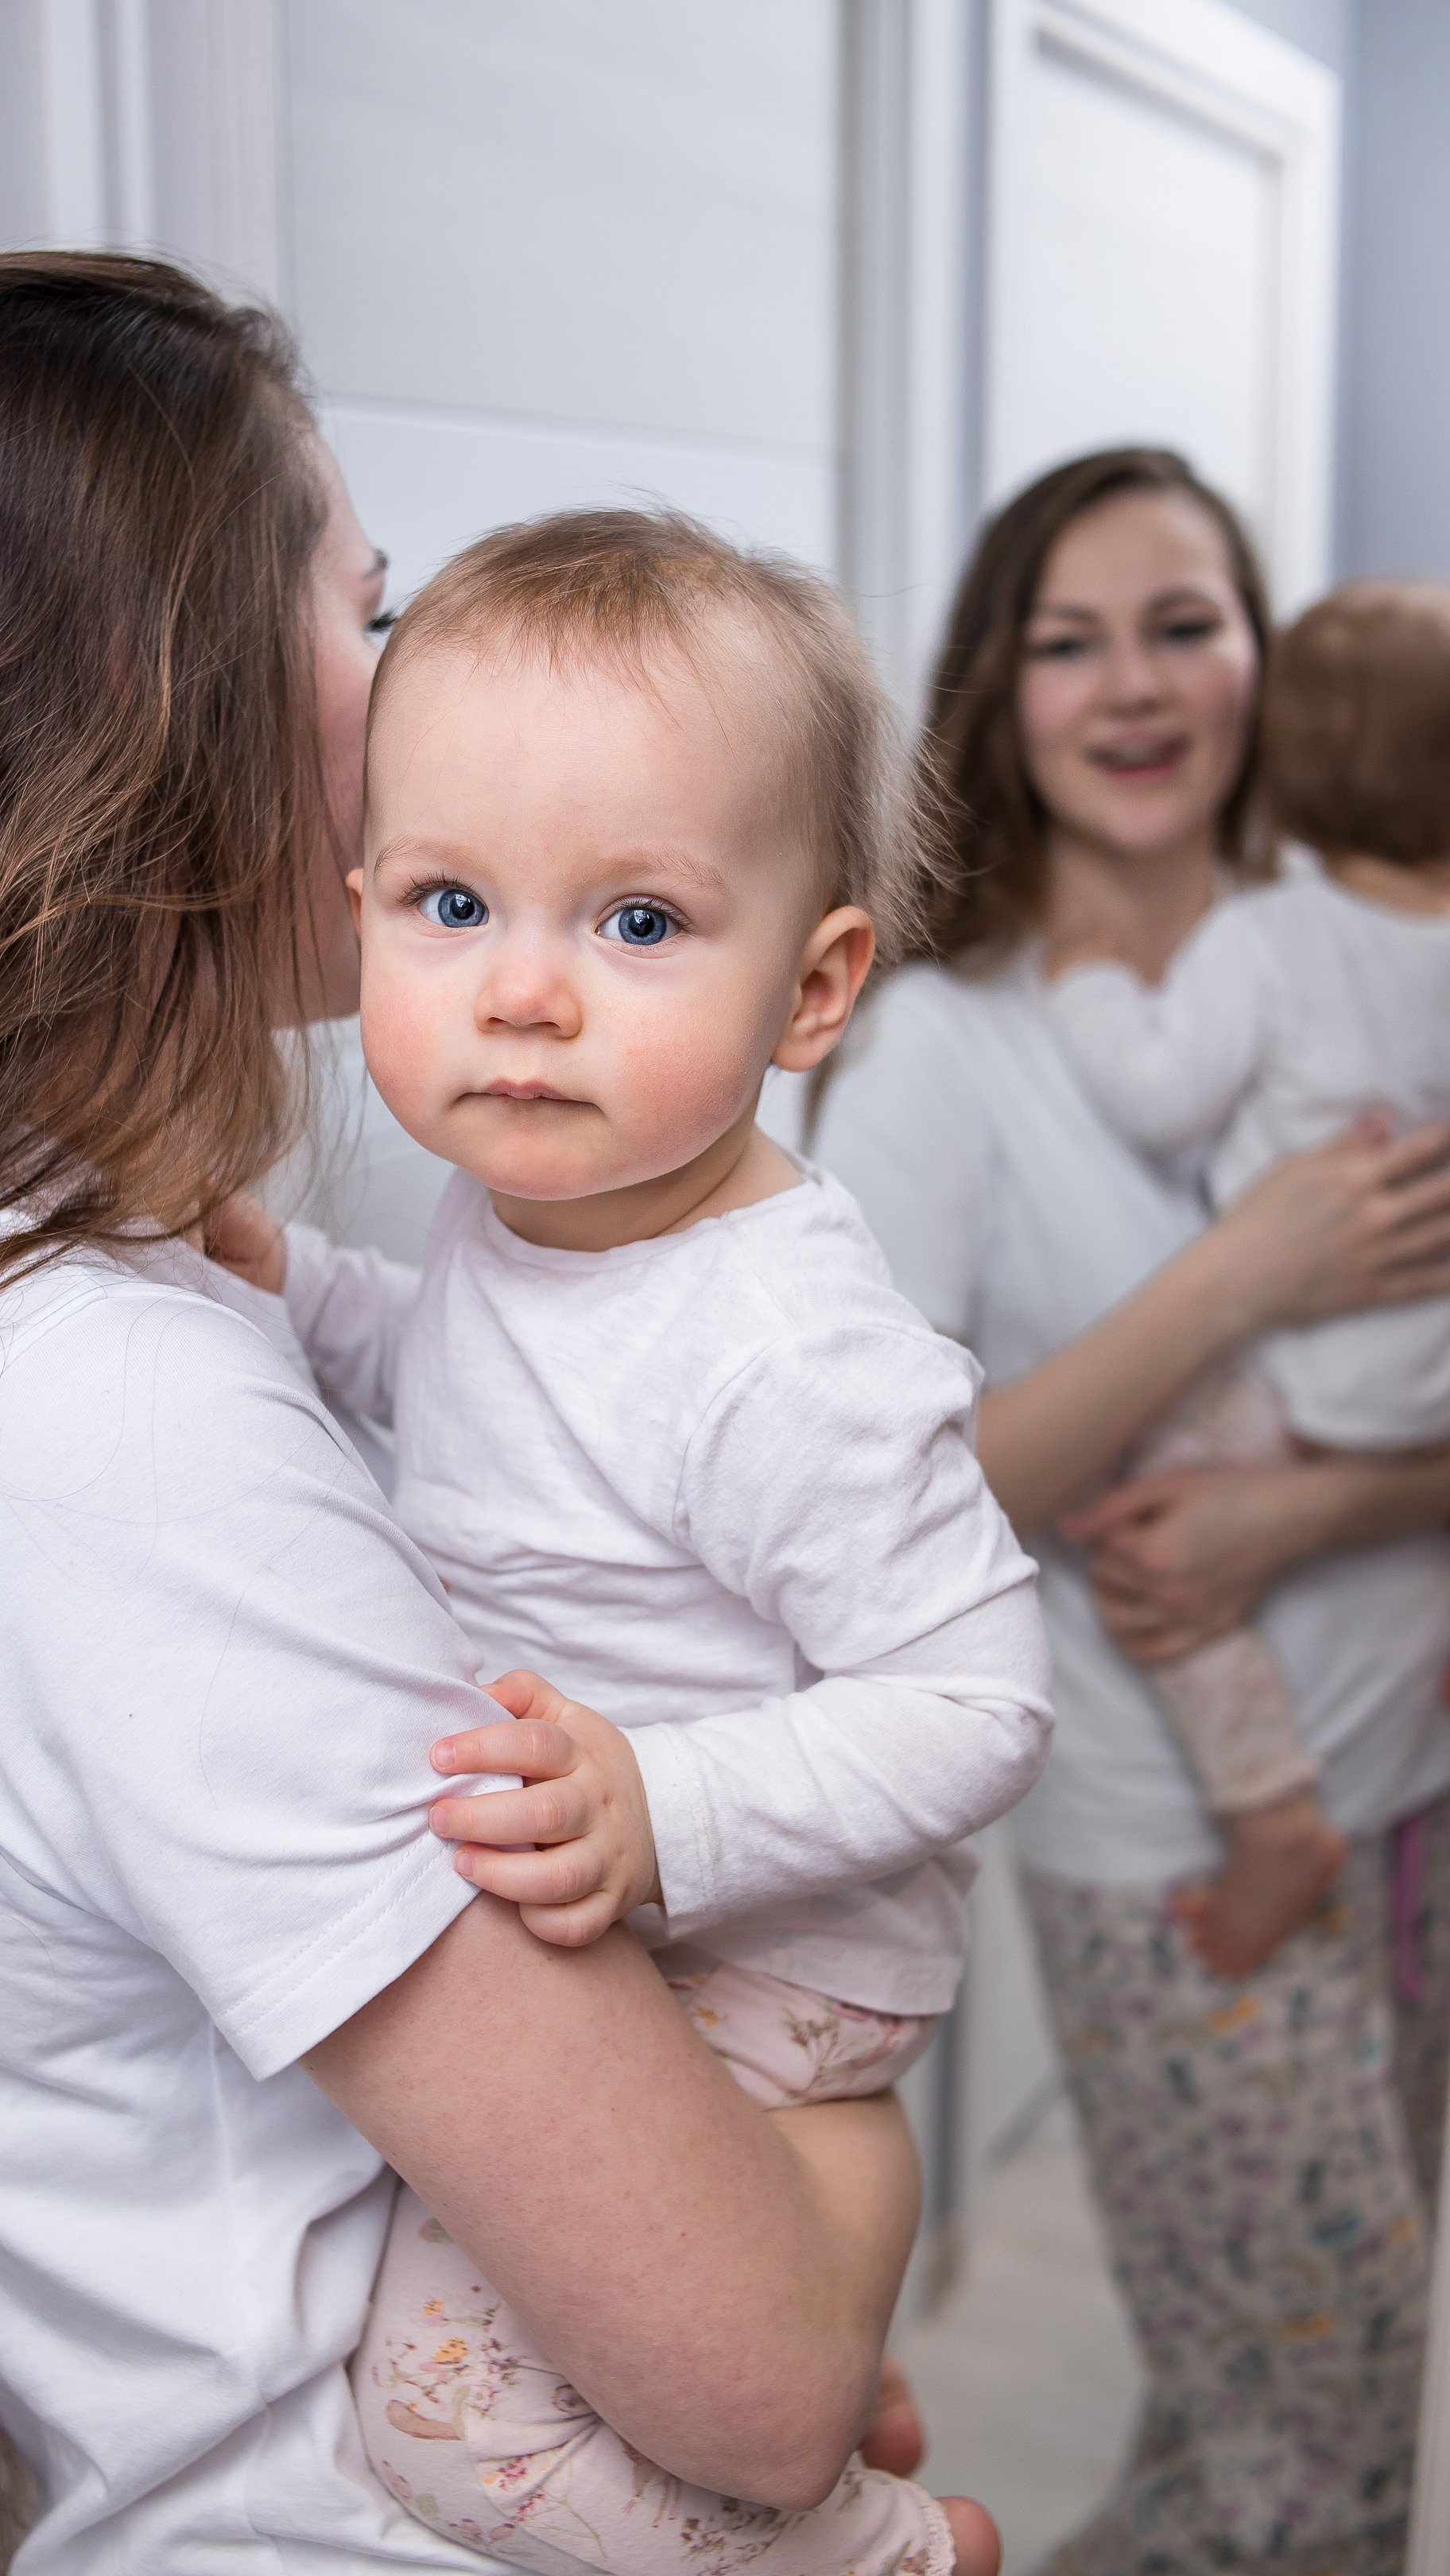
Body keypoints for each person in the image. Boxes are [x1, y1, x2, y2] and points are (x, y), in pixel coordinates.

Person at [0, 254, 941, 2576]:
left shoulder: (7, 1302)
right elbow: (773, 2376)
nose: (415, 696)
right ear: (150, 687)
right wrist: (830, 2203)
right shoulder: (101, 1419)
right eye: (368, 613)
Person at [218, 508, 1053, 2574]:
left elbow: (979, 1695)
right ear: (360, 912)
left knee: (430, 2422)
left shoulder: (786, 1352)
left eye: (641, 924)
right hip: (640, 1924)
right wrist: (303, 1296)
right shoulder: (542, 1204)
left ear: (814, 987)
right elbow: (490, 1398)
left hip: (755, 1961)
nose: (524, 994)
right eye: (452, 904)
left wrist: (661, 1811)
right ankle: (805, 2412)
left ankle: (886, 2557)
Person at [812, 446, 1450, 2576]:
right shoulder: (939, 1049)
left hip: (1405, 1786)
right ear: (1003, 692)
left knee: (1310, 2394)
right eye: (1072, 642)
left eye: (1185, 624)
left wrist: (1315, 1514)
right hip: (1180, 1848)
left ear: (1266, 654)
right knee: (1310, 2460)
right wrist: (1243, 1277)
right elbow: (895, 1509)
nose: (1139, 685)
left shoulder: (1371, 957)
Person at [1041, 579, 1450, 1973]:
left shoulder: (1275, 939)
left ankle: (1270, 1814)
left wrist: (1089, 984)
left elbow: (1160, 1097)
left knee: (1140, 1528)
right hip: (1433, 1393)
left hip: (1307, 1380)